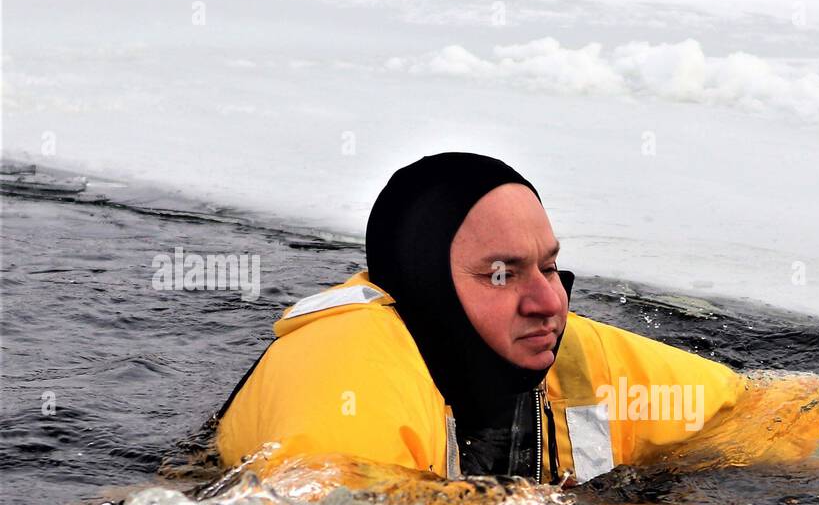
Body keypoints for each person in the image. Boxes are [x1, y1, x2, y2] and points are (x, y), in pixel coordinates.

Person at [216, 152, 749, 484]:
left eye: (549, 266)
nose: (549, 303)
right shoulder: (345, 374)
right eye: (501, 274)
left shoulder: (575, 359)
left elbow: (769, 418)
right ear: (427, 286)